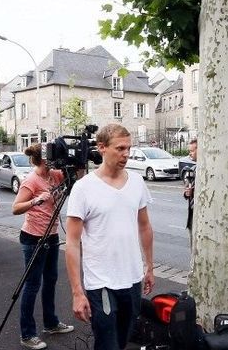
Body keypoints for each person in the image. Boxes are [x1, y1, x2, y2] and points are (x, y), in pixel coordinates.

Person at [65, 123, 155, 350]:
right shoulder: (84, 188)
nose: (126, 154)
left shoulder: (137, 182)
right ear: (102, 147)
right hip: (101, 282)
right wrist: (77, 292)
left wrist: (150, 267)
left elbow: (144, 227)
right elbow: (72, 243)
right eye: (120, 148)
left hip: (132, 278)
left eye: (129, 148)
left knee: (124, 339)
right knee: (108, 343)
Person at [12, 143, 75, 349]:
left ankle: (51, 323)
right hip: (33, 237)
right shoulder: (31, 180)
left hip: (52, 236)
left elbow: (76, 178)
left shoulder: (55, 175)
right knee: (32, 285)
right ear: (43, 159)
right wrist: (36, 200)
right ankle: (27, 334)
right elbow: (15, 208)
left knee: (50, 281)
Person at [183, 138, 197, 233]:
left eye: (192, 151)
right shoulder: (192, 169)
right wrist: (186, 193)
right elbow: (186, 191)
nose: (190, 153)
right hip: (192, 218)